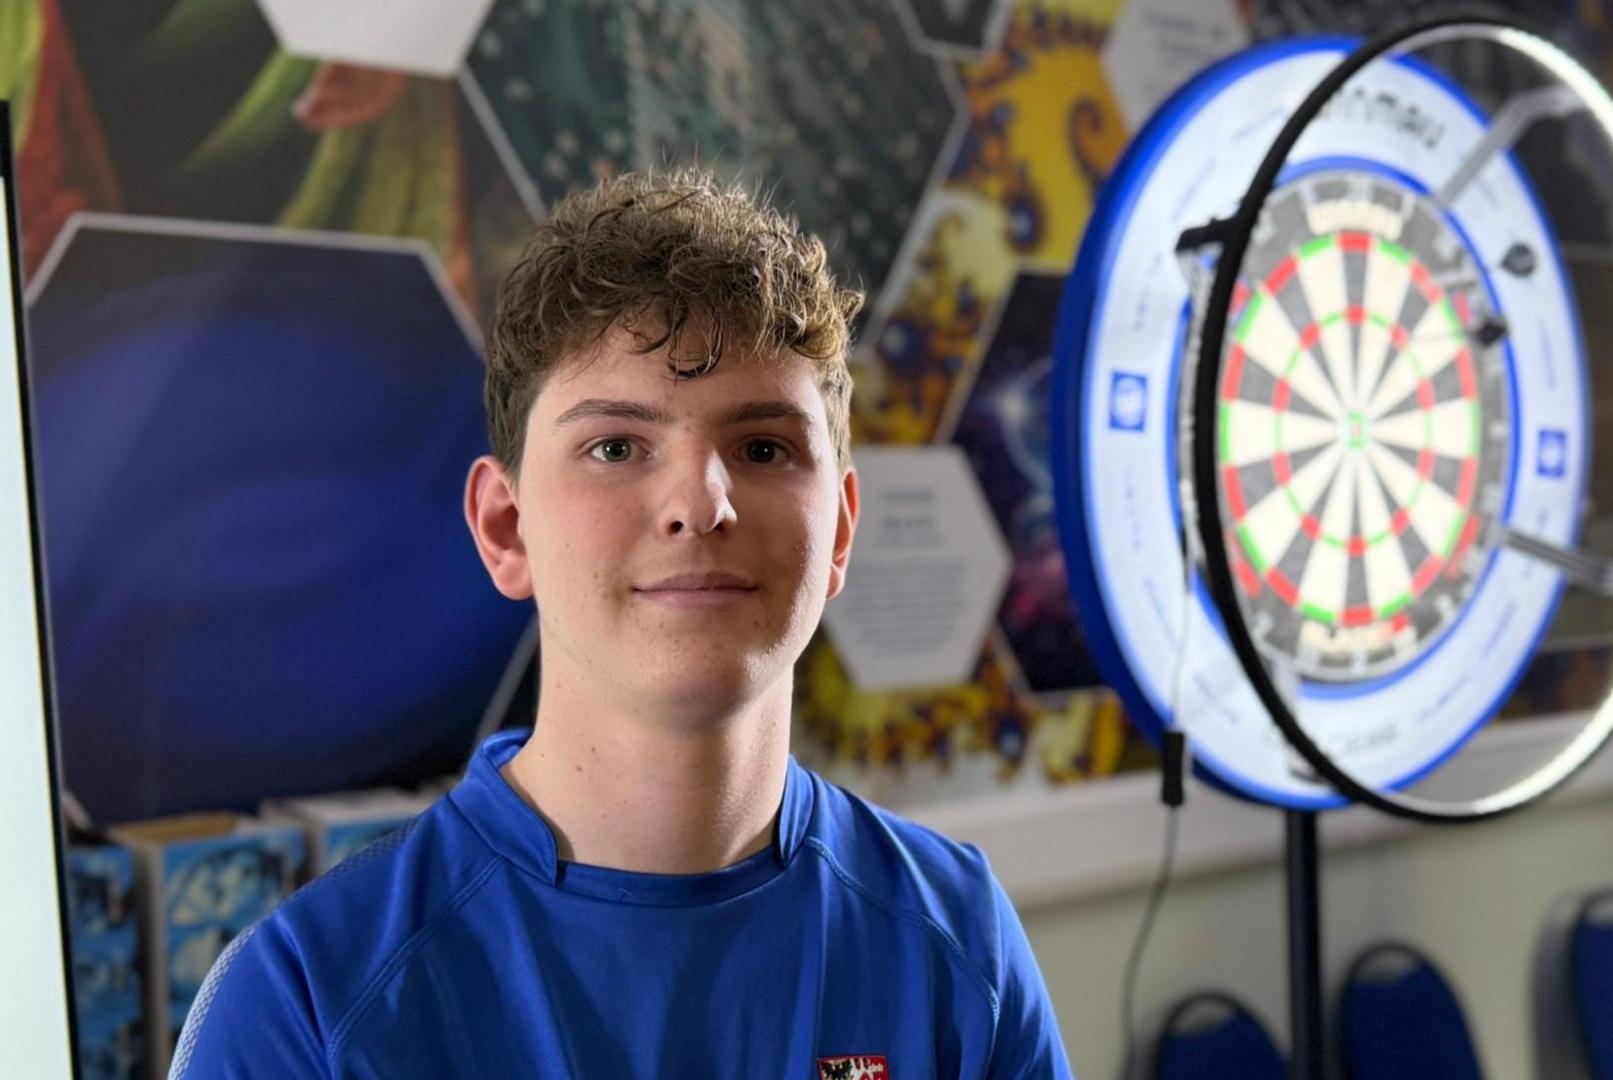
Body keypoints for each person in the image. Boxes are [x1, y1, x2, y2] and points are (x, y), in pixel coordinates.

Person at [171, 169, 1073, 1078]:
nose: (700, 501)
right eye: (615, 446)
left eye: (763, 448)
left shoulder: (960, 942)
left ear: (838, 531)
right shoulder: (309, 1004)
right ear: (504, 526)